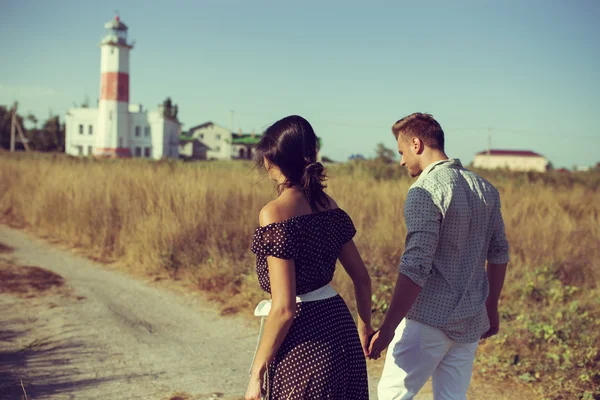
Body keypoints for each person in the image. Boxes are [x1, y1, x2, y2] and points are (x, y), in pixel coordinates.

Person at [368, 113, 510, 400]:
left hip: (427, 320)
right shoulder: (486, 189)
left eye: (401, 152)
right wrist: (490, 306)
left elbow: (416, 265)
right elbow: (499, 253)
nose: (401, 161)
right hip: (470, 319)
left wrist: (387, 328)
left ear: (416, 144)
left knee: (391, 396)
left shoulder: (424, 190)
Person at [245, 115, 373, 400]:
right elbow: (362, 280)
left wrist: (256, 373)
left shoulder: (274, 213)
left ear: (269, 160)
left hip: (304, 339)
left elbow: (284, 308)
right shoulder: (329, 206)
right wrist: (364, 327)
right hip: (341, 331)